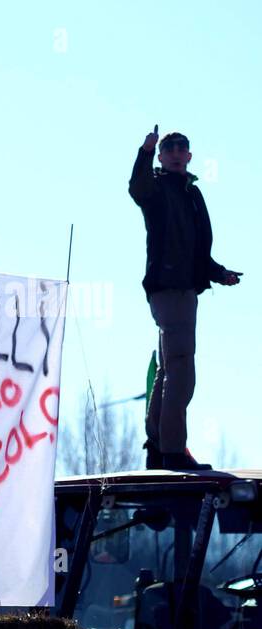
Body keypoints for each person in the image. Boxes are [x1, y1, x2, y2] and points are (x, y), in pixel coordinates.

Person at [128, 126, 241, 470]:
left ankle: (159, 447)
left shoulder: (192, 194)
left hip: (186, 289)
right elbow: (138, 188)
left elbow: (197, 251)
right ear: (162, 156)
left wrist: (219, 273)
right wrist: (145, 152)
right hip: (167, 287)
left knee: (169, 370)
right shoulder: (158, 187)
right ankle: (173, 452)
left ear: (189, 156)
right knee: (182, 370)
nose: (176, 152)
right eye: (169, 148)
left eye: (182, 148)